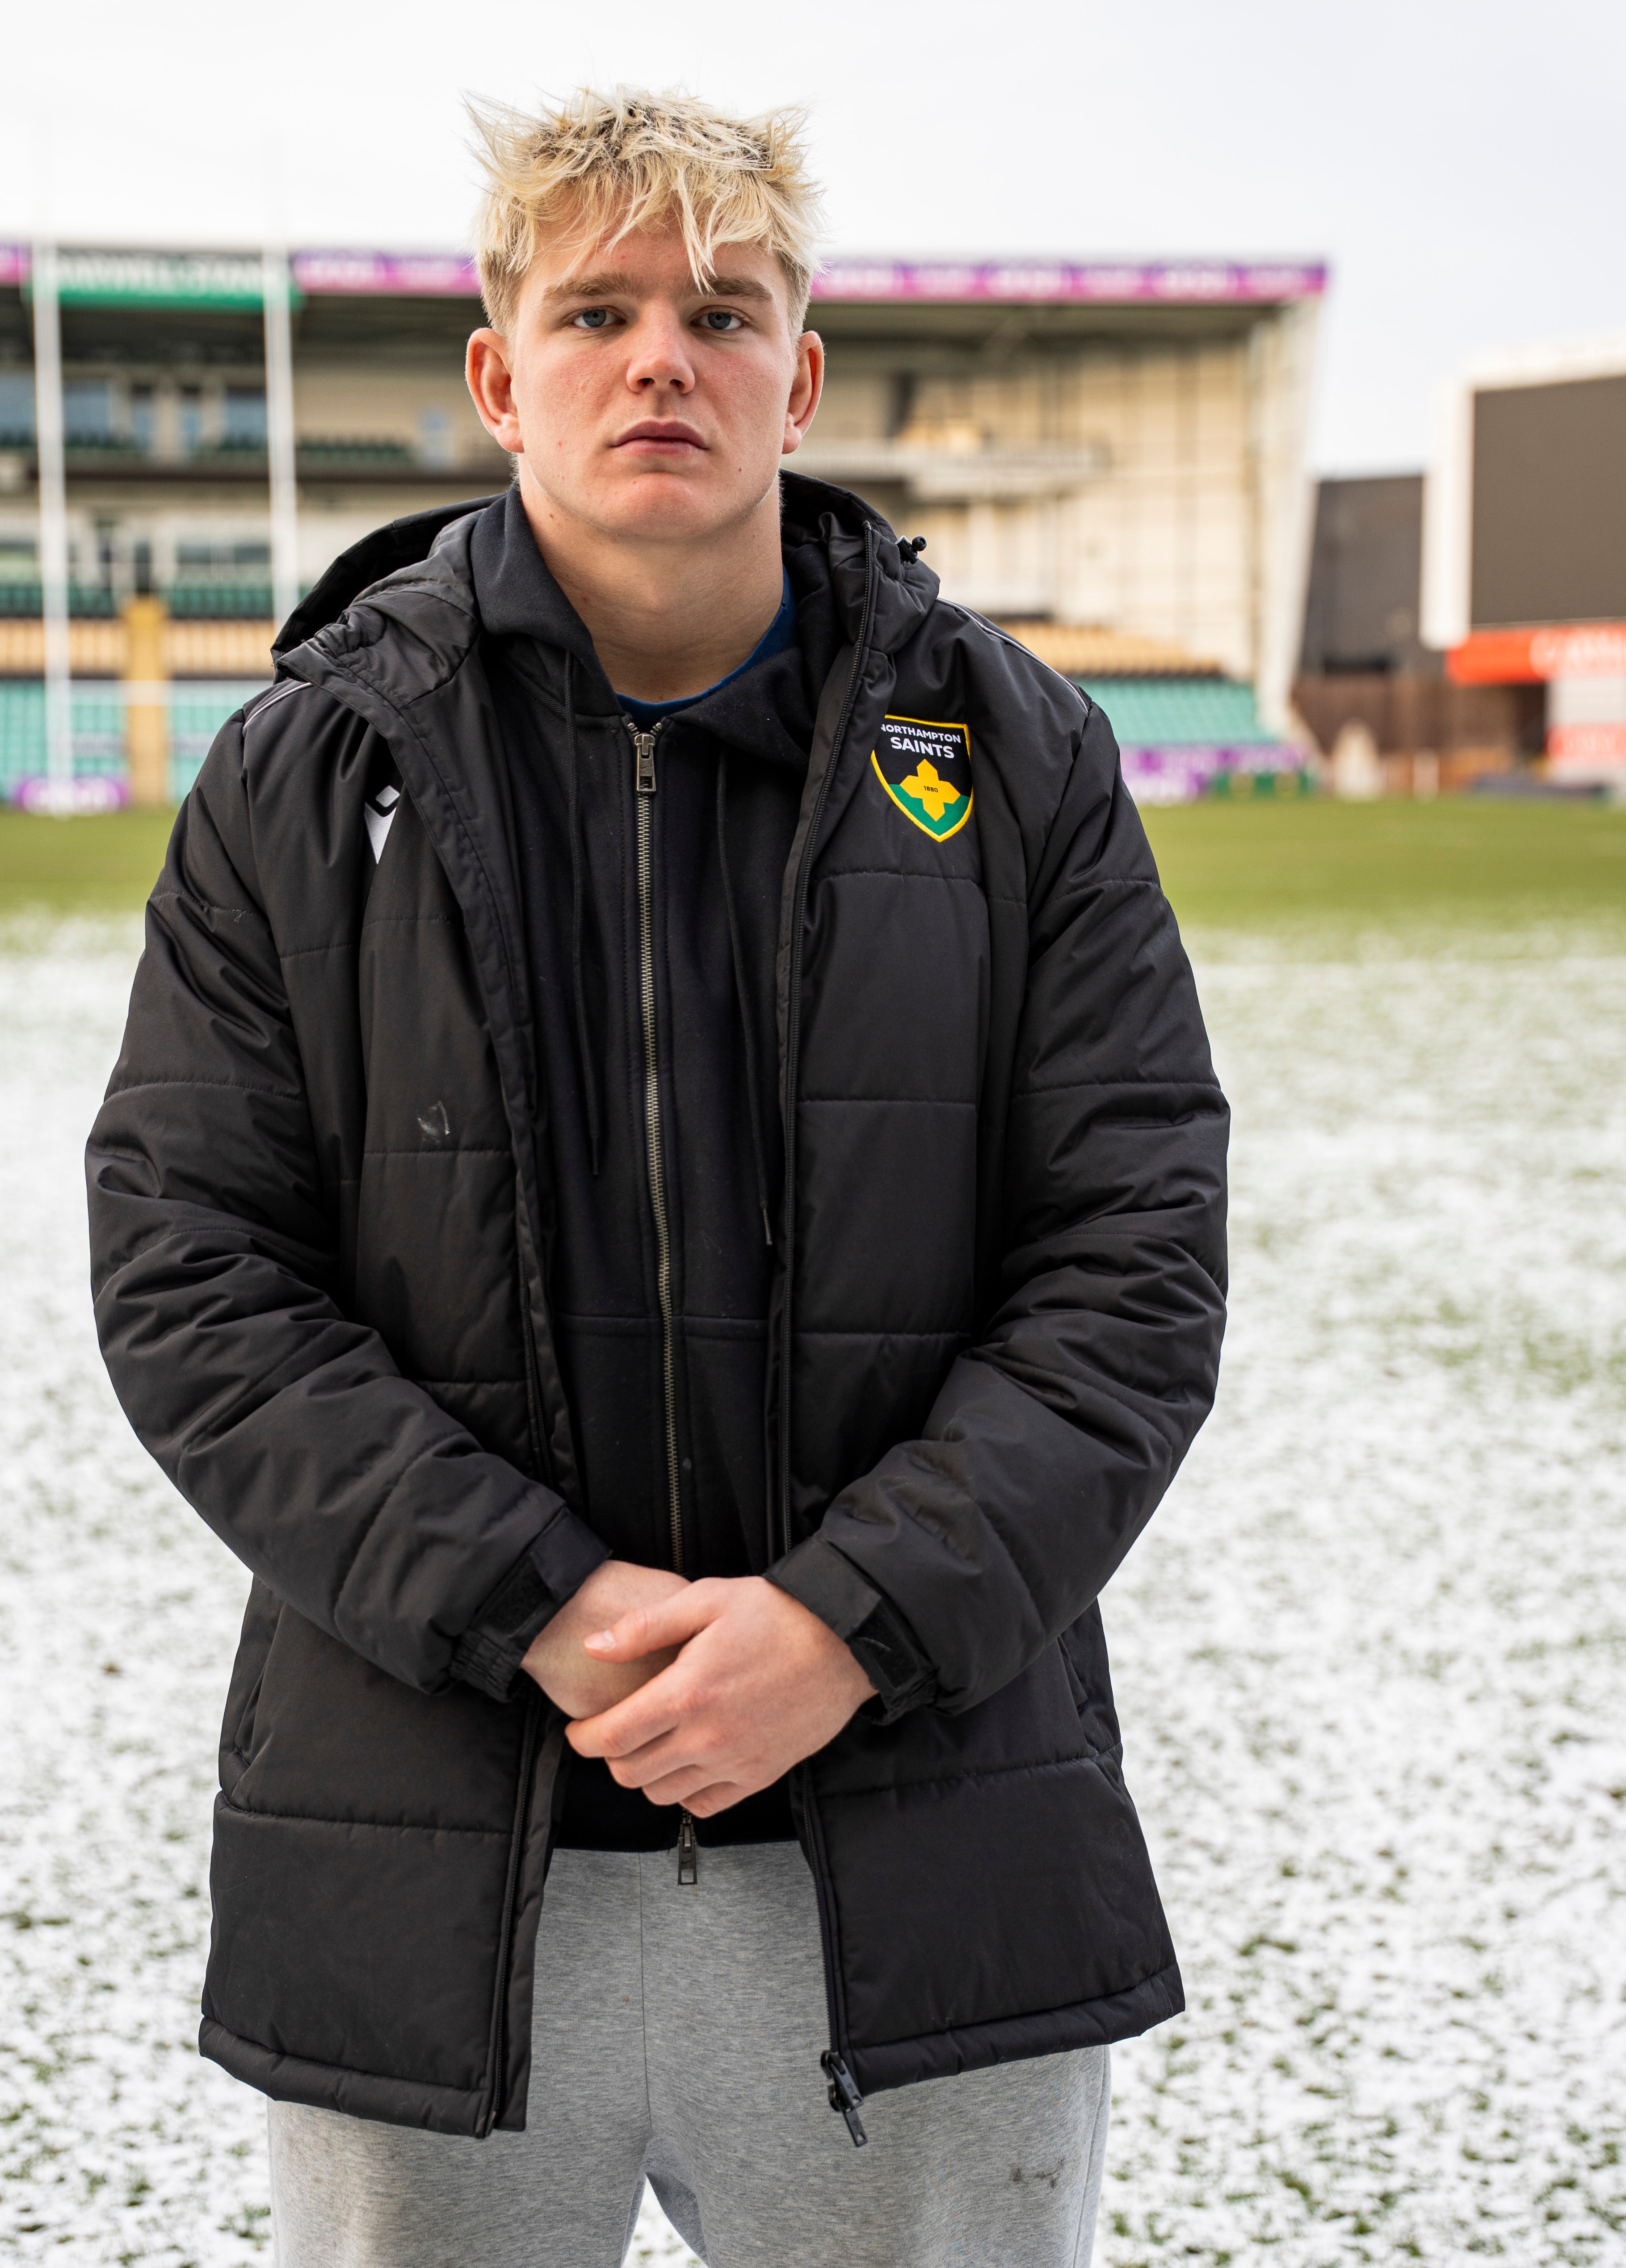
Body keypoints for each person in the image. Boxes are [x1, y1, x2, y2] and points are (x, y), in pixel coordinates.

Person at [87, 86, 1227, 2268]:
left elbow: (1132, 1261)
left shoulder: (1014, 759)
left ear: (796, 373)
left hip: (909, 1848)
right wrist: (542, 1604)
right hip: (439, 1853)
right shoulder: (301, 781)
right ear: (501, 373)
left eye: (721, 309)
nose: (660, 358)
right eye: (595, 308)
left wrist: (842, 1622)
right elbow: (192, 1274)